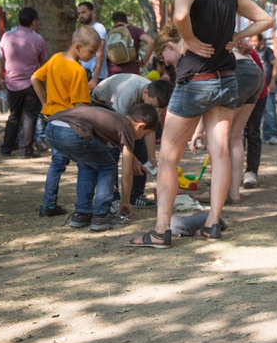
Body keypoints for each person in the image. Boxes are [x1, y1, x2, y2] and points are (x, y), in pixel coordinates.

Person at [127, 0, 273, 249]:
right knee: (219, 151)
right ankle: (212, 223)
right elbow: (266, 18)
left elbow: (180, 15)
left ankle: (161, 230)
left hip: (195, 80)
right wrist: (237, 37)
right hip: (226, 79)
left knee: (167, 157)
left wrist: (189, 40)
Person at [45, 103, 158, 231]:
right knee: (108, 166)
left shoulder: (116, 118)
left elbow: (123, 150)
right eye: (144, 134)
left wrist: (134, 160)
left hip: (52, 128)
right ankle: (100, 215)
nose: (141, 138)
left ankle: (81, 214)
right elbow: (127, 173)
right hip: (73, 131)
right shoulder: (127, 128)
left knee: (87, 165)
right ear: (141, 126)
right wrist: (125, 201)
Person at [31, 25, 99, 218]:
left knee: (57, 164)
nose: (93, 56)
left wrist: (46, 104)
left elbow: (34, 78)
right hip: (70, 126)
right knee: (86, 164)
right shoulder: (77, 71)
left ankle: (48, 204)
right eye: (91, 52)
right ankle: (84, 209)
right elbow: (80, 108)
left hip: (53, 122)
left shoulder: (55, 59)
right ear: (78, 47)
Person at [192, 38, 264, 204]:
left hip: (237, 72)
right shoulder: (227, 32)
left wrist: (198, 130)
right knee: (235, 137)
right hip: (255, 73)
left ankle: (217, 192)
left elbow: (209, 97)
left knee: (218, 139)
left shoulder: (201, 40)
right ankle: (233, 194)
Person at [91, 74, 174, 208]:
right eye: (152, 105)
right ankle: (113, 198)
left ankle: (135, 196)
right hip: (105, 105)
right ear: (145, 93)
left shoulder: (156, 101)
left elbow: (149, 128)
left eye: (158, 108)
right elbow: (118, 132)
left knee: (142, 152)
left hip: (131, 115)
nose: (155, 110)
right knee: (112, 152)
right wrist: (132, 159)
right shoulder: (127, 94)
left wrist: (151, 157)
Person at [0, 7, 47, 158]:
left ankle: (7, 147)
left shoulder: (6, 37)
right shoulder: (38, 40)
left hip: (12, 84)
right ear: (34, 22)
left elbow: (0, 59)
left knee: (14, 116)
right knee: (30, 117)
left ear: (18, 20)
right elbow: (44, 63)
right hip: (32, 84)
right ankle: (25, 150)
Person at [242, 36, 271, 189]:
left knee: (252, 131)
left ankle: (251, 171)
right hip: (237, 94)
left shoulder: (246, 52)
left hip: (257, 94)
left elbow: (258, 79)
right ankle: (230, 172)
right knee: (233, 135)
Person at [252, 34, 277, 145]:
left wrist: (273, 82)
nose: (253, 43)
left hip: (268, 85)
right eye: (252, 41)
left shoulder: (267, 51)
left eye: (255, 41)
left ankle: (274, 134)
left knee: (270, 110)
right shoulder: (254, 52)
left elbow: (275, 65)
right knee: (262, 112)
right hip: (258, 87)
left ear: (261, 41)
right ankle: (266, 135)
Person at [107, 12, 155, 76]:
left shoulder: (109, 33)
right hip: (132, 73)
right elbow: (151, 42)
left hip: (114, 74)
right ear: (126, 20)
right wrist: (144, 61)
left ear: (114, 22)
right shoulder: (135, 30)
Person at [76, 2, 109, 90]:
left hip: (97, 76)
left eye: (84, 12)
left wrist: (95, 77)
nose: (81, 16)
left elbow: (100, 53)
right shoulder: (82, 30)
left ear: (92, 12)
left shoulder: (99, 28)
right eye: (79, 14)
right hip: (85, 73)